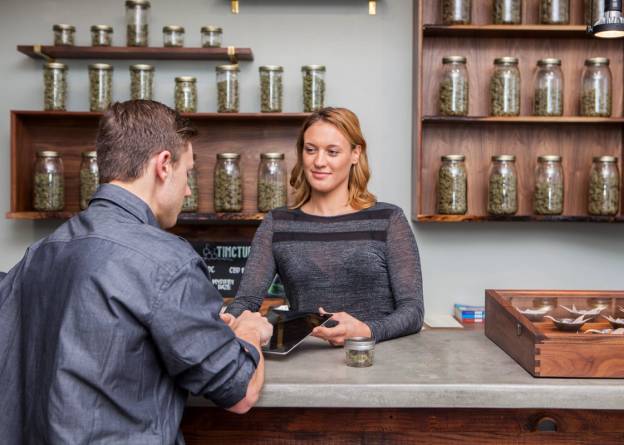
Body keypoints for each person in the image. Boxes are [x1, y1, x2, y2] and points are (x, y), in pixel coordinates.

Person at [0, 100, 273, 445]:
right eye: (187, 172)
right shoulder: (166, 260)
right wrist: (250, 331)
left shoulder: (40, 252)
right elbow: (240, 391)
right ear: (163, 165)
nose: (188, 190)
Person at [225, 107, 424, 345]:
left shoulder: (388, 219)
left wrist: (365, 330)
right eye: (311, 150)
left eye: (332, 152)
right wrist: (226, 320)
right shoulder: (278, 223)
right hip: (307, 361)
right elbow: (246, 302)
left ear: (355, 154)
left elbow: (413, 311)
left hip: (377, 357)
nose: (319, 162)